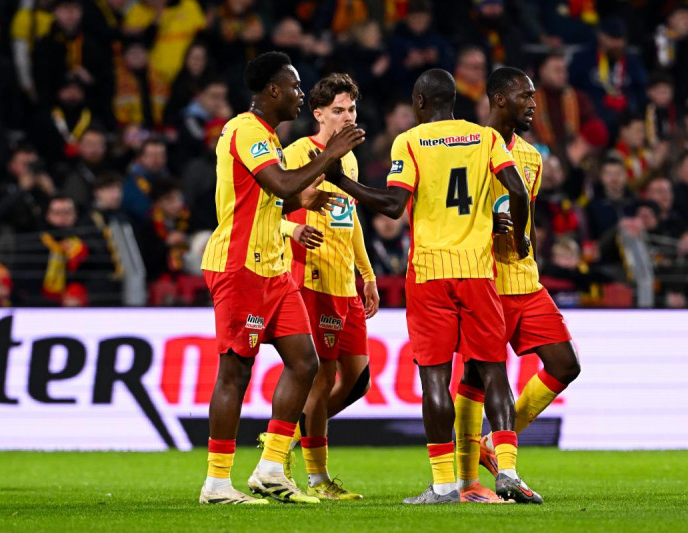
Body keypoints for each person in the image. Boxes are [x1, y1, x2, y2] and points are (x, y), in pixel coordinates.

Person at [322, 68, 532, 505]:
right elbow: (518, 190)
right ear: (452, 101)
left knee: (435, 377)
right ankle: (509, 471)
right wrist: (520, 238)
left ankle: (442, 486)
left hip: (430, 274)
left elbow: (393, 205)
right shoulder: (486, 138)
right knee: (493, 371)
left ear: (420, 103)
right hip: (478, 272)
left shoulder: (411, 141)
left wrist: (342, 181)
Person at [198, 51, 364, 505]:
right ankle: (216, 483)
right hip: (239, 266)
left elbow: (276, 199)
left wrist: (301, 202)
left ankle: (270, 469)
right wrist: (329, 155)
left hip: (272, 266)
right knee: (235, 371)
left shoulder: (268, 138)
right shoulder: (246, 130)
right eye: (294, 87)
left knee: (305, 363)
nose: (300, 94)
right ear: (272, 90)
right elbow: (282, 185)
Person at [455, 67, 580, 504]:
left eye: (533, 96)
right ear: (499, 99)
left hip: (525, 280)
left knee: (565, 364)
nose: (532, 104)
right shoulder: (468, 147)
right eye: (525, 96)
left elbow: (529, 217)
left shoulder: (532, 157)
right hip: (483, 279)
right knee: (476, 378)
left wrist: (527, 250)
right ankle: (466, 481)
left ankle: (493, 443)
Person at [275, 73, 378, 500]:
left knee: (359, 379)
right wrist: (291, 230)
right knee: (321, 379)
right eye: (338, 110)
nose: (347, 117)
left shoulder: (348, 159)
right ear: (318, 114)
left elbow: (349, 219)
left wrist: (367, 275)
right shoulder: (298, 153)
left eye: (351, 109)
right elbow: (264, 209)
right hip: (311, 278)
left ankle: (287, 437)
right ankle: (316, 478)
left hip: (344, 282)